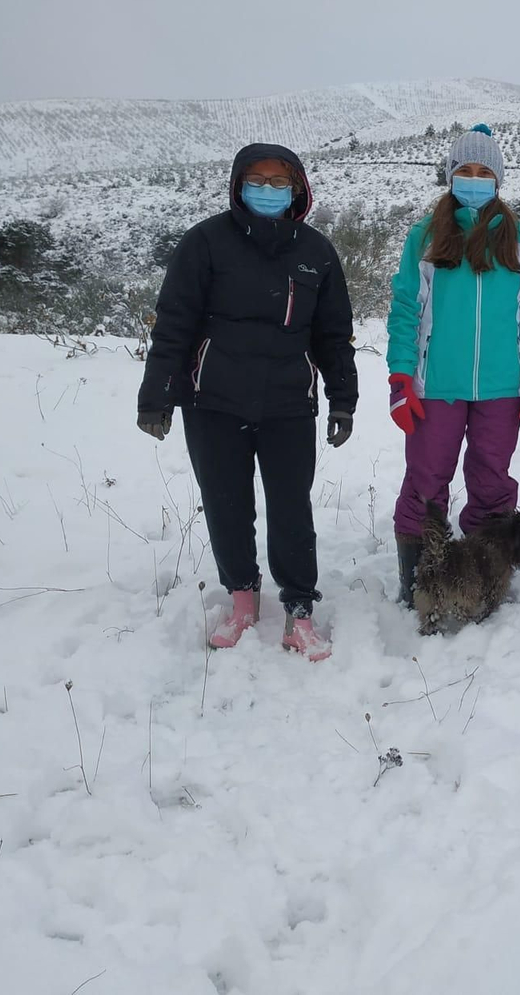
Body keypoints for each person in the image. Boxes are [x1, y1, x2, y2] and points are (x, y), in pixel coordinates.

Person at [136, 143, 357, 661]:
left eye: (279, 181)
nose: (267, 189)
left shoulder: (317, 252)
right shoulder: (206, 243)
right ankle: (241, 601)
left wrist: (342, 400)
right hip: (214, 402)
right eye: (256, 179)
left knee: (291, 509)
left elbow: (333, 335)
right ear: (238, 184)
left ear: (298, 188)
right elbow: (174, 322)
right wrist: (158, 395)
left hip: (288, 404)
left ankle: (299, 611)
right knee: (226, 505)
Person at [386, 124, 520, 605]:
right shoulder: (425, 237)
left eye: (484, 172)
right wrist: (401, 378)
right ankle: (419, 577)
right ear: (450, 177)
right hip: (436, 385)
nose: (474, 180)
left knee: (492, 481)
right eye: (465, 171)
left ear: (498, 179)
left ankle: (486, 575)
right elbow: (405, 310)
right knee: (426, 479)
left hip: (501, 388)